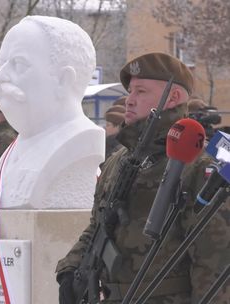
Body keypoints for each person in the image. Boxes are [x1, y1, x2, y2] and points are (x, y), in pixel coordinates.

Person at [56, 52, 230, 303]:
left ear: (174, 97)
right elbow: (97, 225)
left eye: (141, 92)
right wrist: (70, 269)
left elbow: (215, 263)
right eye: (130, 92)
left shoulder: (197, 166)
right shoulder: (119, 160)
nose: (129, 100)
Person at [0, 16, 105, 209]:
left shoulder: (79, 143)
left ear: (64, 80)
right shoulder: (15, 148)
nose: (0, 75)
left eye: (18, 64)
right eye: (1, 64)